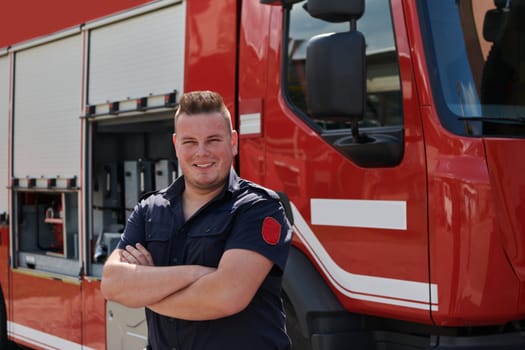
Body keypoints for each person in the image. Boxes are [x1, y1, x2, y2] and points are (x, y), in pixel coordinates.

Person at [101, 90, 293, 350]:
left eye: (213, 140)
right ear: (176, 144)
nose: (201, 153)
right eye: (190, 141)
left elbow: (226, 296)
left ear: (233, 141)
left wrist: (145, 290)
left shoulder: (259, 208)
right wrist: (197, 275)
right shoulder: (149, 209)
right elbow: (112, 283)